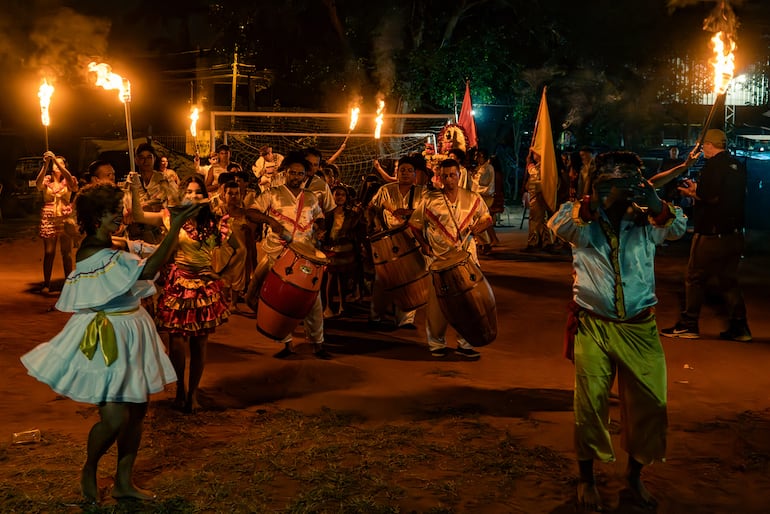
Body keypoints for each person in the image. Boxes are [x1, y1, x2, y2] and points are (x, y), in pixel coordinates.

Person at [20, 183, 200, 503]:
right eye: (114, 211)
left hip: (134, 328)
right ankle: (89, 468)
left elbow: (141, 249)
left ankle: (123, 482)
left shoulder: (111, 242)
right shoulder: (92, 250)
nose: (121, 215)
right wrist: (175, 227)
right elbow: (151, 267)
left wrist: (160, 228)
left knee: (138, 411)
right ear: (98, 216)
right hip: (109, 336)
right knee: (115, 418)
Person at [548, 151, 686, 512]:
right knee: (590, 405)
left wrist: (653, 200)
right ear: (594, 183)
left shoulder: (647, 218)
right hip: (593, 325)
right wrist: (595, 200)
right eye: (611, 179)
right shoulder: (576, 215)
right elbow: (562, 228)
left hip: (641, 327)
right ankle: (587, 477)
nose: (620, 186)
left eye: (628, 179)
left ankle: (635, 475)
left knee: (651, 404)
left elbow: (677, 228)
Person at [152, 175, 236, 412]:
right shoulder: (172, 218)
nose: (193, 195)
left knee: (199, 344)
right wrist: (133, 191)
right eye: (188, 191)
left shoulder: (216, 223)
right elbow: (139, 216)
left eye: (198, 192)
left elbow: (238, 250)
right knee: (176, 342)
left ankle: (193, 393)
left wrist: (221, 273)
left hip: (204, 288)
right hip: (179, 284)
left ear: (205, 196)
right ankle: (180, 389)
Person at [661, 129, 752, 342]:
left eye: (703, 146)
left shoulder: (713, 166)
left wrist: (692, 191)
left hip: (711, 233)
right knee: (728, 280)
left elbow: (709, 196)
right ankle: (740, 327)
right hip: (734, 233)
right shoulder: (736, 165)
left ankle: (689, 324)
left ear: (709, 145)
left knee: (694, 277)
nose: (702, 150)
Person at [245, 152, 331, 359]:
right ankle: (285, 342)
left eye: (300, 173)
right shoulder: (272, 193)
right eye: (292, 172)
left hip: (305, 255)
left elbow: (320, 218)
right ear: (285, 173)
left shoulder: (311, 197)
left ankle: (317, 343)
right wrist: (270, 221)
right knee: (269, 297)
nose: (295, 176)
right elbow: (251, 212)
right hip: (277, 253)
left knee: (313, 301)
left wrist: (320, 228)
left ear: (304, 176)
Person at [408, 158, 493, 359]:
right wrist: (425, 245)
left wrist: (481, 226)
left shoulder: (472, 198)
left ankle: (465, 343)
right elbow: (415, 225)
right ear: (440, 177)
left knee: (468, 302)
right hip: (439, 260)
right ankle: (436, 343)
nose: (449, 180)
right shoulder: (430, 200)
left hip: (467, 259)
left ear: (459, 175)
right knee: (438, 304)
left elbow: (486, 218)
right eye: (444, 176)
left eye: (452, 175)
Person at [367, 155, 426, 329]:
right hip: (387, 240)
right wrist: (374, 225)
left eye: (409, 171)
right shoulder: (385, 190)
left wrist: (409, 213)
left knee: (410, 278)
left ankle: (406, 319)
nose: (405, 174)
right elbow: (372, 208)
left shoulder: (422, 192)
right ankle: (375, 316)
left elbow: (428, 213)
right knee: (383, 279)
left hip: (411, 240)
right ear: (397, 172)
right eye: (402, 170)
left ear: (415, 174)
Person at [35, 151, 78, 294]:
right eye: (56, 163)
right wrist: (46, 163)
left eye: (61, 163)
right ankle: (46, 284)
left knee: (66, 253)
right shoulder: (47, 181)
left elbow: (71, 183)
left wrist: (56, 160)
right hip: (49, 217)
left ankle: (69, 283)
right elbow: (38, 184)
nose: (58, 165)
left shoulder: (69, 180)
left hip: (64, 218)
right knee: (49, 252)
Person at [321, 184, 363, 318]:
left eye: (343, 195)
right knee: (331, 278)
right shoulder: (327, 214)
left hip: (346, 251)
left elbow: (357, 229)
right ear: (332, 196)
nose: (340, 197)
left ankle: (342, 305)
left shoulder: (351, 214)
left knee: (343, 279)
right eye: (337, 194)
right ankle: (328, 306)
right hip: (331, 251)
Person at [130, 143, 178, 245]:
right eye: (141, 157)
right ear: (136, 160)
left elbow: (176, 199)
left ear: (154, 159)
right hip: (138, 233)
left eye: (149, 157)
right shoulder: (133, 180)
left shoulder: (165, 179)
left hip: (160, 229)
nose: (145, 161)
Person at [523, 149, 554, 251]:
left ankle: (534, 242)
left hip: (538, 196)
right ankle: (547, 241)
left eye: (535, 153)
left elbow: (536, 179)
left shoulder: (541, 167)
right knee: (542, 219)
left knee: (535, 220)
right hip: (537, 196)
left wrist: (529, 165)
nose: (534, 155)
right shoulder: (539, 167)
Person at [472, 148, 499, 253]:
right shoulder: (480, 168)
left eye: (478, 156)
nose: (476, 158)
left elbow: (486, 185)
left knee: (483, 219)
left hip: (485, 196)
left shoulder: (488, 168)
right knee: (484, 219)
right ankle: (492, 239)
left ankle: (487, 242)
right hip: (480, 195)